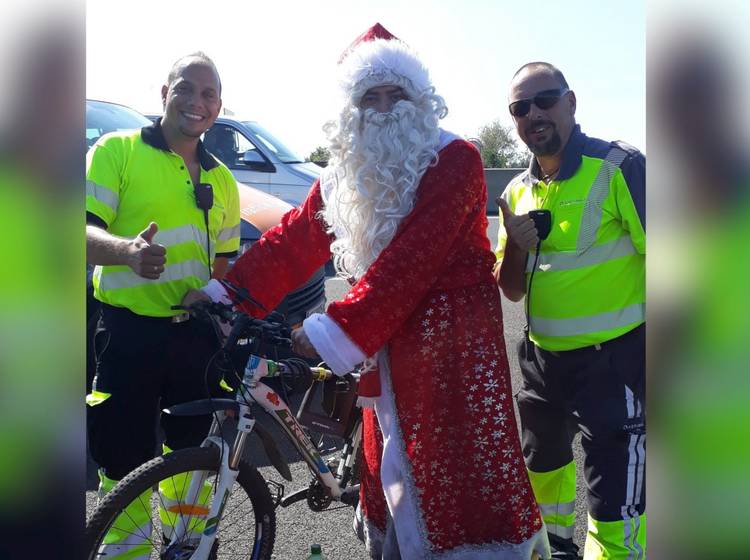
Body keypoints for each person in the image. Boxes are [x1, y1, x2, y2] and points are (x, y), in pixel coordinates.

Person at [186, 23, 549, 560]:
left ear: (419, 98)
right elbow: (293, 240)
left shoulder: (457, 159)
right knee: (393, 463)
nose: (383, 109)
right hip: (384, 333)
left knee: (458, 472)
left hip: (453, 343)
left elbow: (411, 261)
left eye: (394, 94)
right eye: (368, 97)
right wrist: (226, 295)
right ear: (350, 108)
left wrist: (328, 331)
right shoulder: (344, 174)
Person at [85, 52, 240, 555]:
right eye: (185, 89)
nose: (197, 102)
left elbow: (226, 263)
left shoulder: (223, 180)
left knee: (192, 458)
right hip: (129, 333)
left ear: (218, 108)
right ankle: (123, 555)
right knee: (123, 460)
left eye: (208, 94)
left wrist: (211, 291)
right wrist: (125, 252)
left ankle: (187, 550)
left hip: (195, 339)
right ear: (164, 94)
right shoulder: (118, 150)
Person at [494, 62, 646, 559]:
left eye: (545, 100)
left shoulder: (619, 167)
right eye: (520, 108)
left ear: (571, 102)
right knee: (544, 479)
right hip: (542, 366)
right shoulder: (515, 192)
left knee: (614, 506)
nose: (533, 114)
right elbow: (511, 290)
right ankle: (556, 551)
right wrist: (514, 246)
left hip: (613, 364)